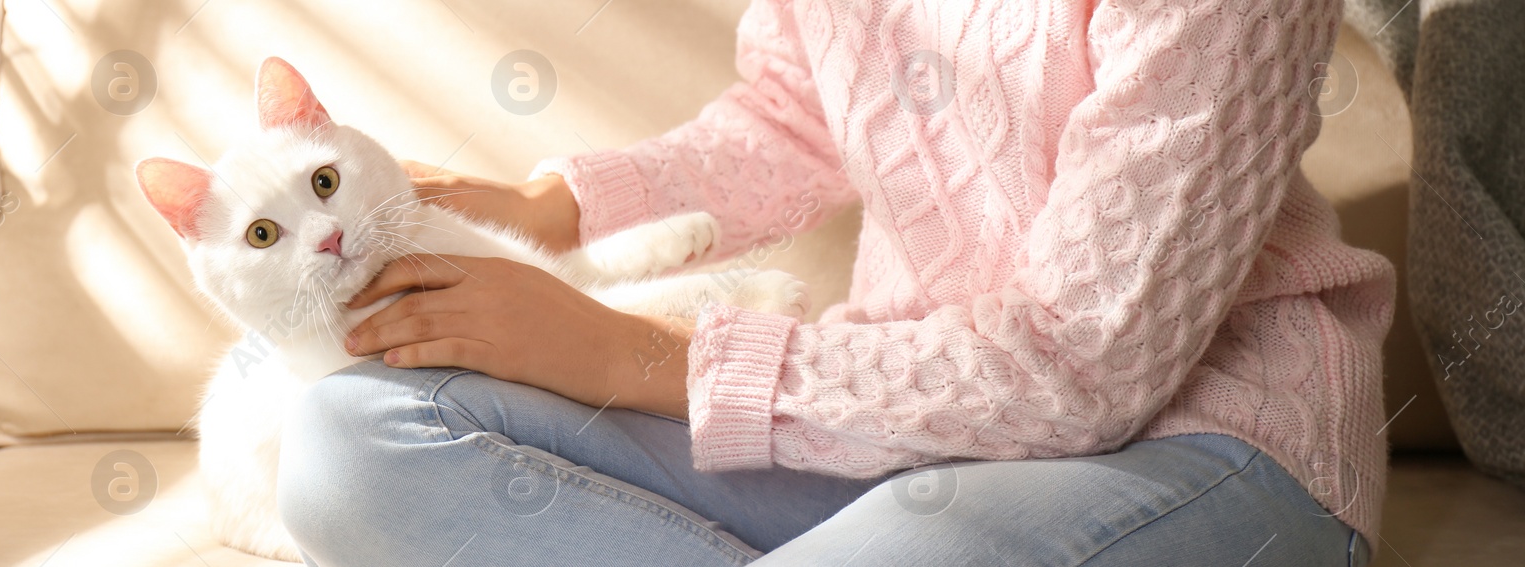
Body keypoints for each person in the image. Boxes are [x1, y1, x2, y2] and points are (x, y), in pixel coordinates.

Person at [276, 0, 1395, 564]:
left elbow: (1080, 366)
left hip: (1202, 439)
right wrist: (551, 211)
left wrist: (631, 354)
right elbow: (793, 112)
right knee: (349, 445)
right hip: (895, 420)